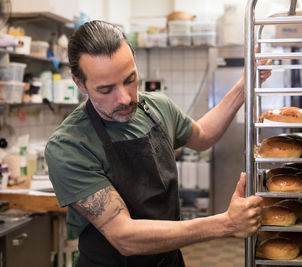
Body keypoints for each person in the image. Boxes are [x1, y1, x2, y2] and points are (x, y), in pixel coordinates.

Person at [45, 20, 271, 267]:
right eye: (106, 89)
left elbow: (203, 135)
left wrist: (243, 86)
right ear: (80, 83)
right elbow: (124, 237)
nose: (124, 98)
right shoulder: (69, 145)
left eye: (130, 79)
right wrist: (226, 223)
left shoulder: (157, 107)